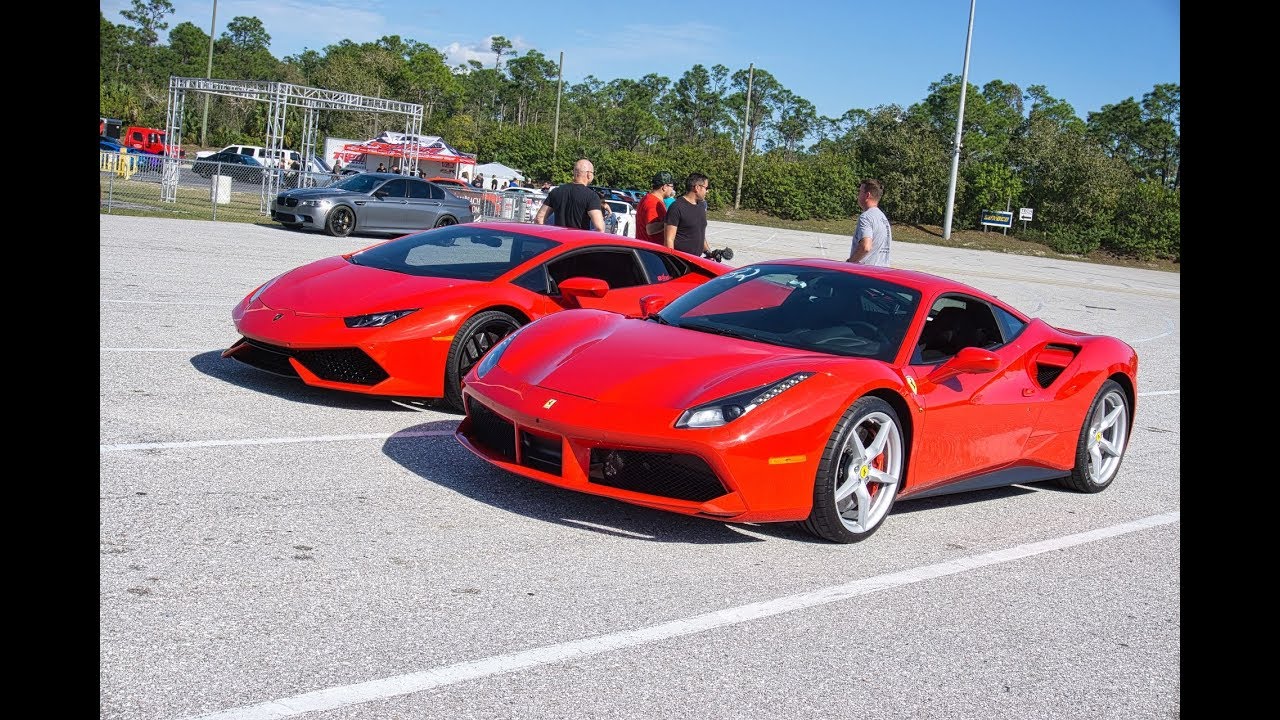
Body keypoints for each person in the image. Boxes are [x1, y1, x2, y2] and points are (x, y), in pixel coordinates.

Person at [534, 159, 605, 231]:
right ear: (589, 174)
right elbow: (600, 228)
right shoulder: (592, 196)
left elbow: (539, 218)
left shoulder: (556, 192)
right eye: (593, 173)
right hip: (578, 241)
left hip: (557, 239)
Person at [846, 178, 892, 266]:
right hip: (882, 271)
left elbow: (865, 247)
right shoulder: (882, 218)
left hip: (866, 272)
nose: (858, 195)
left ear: (867, 195)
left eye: (860, 192)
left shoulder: (866, 217)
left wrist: (849, 263)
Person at [664, 172, 710, 256]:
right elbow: (669, 239)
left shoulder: (701, 206)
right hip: (680, 262)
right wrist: (672, 260)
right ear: (697, 187)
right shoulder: (676, 207)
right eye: (706, 188)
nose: (707, 191)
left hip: (696, 260)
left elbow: (699, 234)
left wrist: (708, 252)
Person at [636, 171, 674, 244]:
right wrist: (670, 222)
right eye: (672, 186)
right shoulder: (652, 202)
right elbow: (650, 229)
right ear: (664, 187)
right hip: (650, 250)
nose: (672, 190)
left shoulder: (648, 198)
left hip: (647, 248)